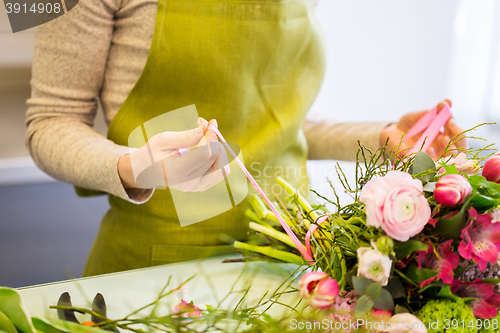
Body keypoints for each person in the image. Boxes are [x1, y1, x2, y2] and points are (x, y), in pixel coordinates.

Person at [25, 0, 465, 276]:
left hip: (293, 259)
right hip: (157, 267)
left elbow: (278, 121)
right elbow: (50, 121)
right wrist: (136, 167)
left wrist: (381, 138)